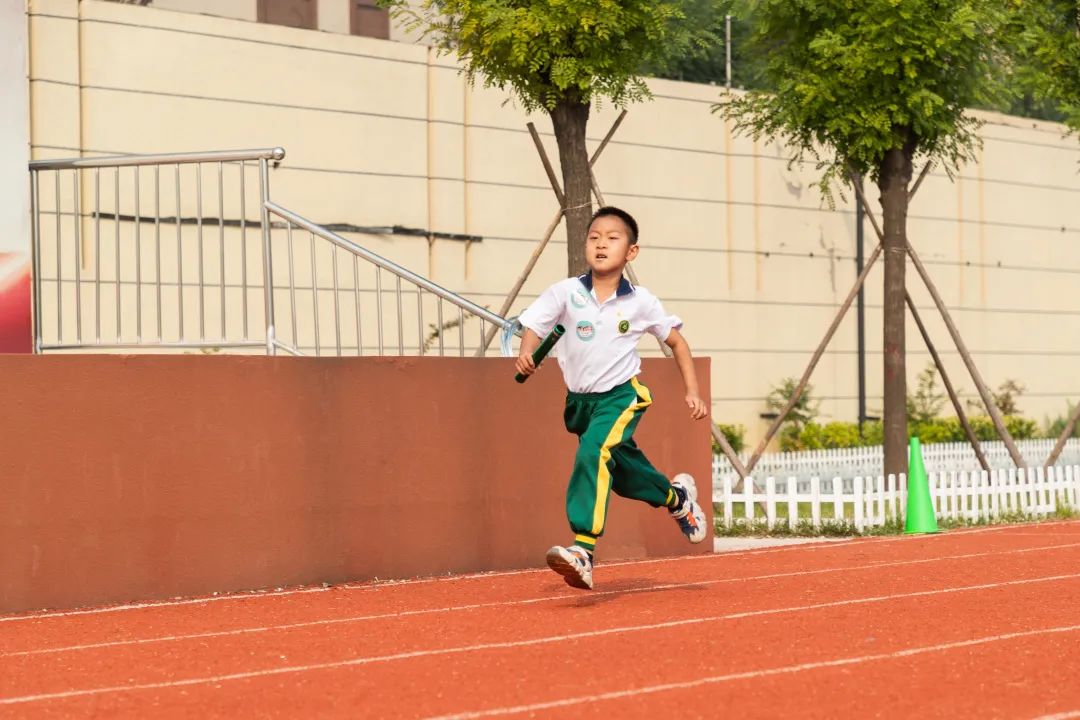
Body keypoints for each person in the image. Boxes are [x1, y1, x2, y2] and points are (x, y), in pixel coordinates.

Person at [515, 206, 709, 590]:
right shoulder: (566, 292)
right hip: (580, 404)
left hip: (621, 397)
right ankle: (677, 499)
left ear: (631, 252)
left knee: (593, 451)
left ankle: (583, 550)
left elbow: (677, 342)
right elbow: (534, 325)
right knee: (622, 475)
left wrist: (693, 391)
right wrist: (526, 354)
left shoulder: (640, 302)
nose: (601, 244)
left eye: (612, 238)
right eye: (594, 237)